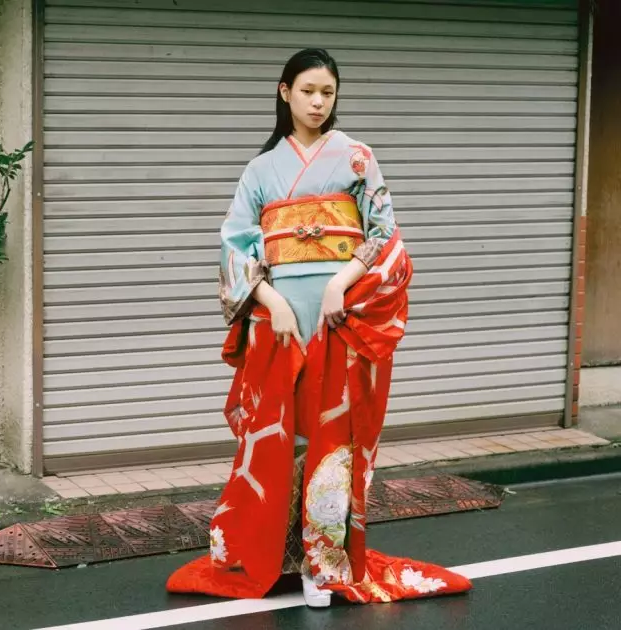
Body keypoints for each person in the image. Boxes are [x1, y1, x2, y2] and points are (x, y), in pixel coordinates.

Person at [166, 48, 472, 606]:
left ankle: (323, 564)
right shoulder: (261, 170)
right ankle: (279, 552)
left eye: (327, 93)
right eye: (307, 91)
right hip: (279, 323)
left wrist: (342, 282)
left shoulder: (357, 158)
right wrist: (270, 299)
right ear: (284, 92)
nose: (317, 102)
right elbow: (234, 246)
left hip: (339, 318)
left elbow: (384, 233)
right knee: (283, 440)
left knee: (334, 442)